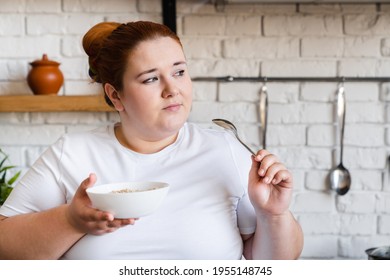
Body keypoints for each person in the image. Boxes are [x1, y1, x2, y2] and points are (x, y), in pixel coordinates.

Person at [0, 21, 303, 260]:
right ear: (115, 95)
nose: (173, 89)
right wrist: (71, 221)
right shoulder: (73, 153)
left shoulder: (226, 148)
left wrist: (272, 214)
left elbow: (271, 265)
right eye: (150, 79)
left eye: (180, 72)